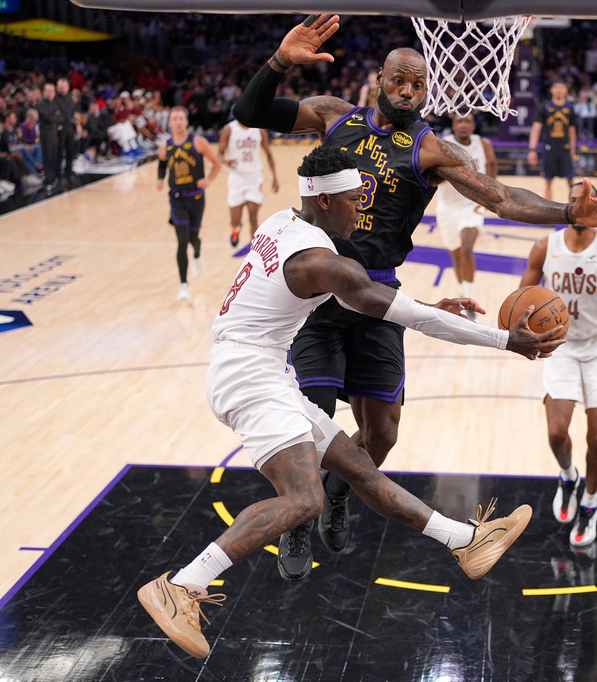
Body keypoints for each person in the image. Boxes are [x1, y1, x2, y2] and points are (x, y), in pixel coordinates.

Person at [233, 14, 597, 576]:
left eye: (418, 84)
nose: (407, 90)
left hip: (377, 294)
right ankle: (299, 521)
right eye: (399, 79)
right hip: (317, 297)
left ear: (428, 91)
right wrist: (279, 61)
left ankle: (336, 491)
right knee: (314, 413)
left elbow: (501, 198)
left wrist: (569, 211)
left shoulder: (431, 149)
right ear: (380, 77)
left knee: (383, 433)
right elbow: (249, 113)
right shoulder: (333, 116)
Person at [137, 145, 555, 659]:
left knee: (358, 467)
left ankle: (465, 542)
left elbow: (388, 305)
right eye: (356, 199)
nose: (362, 207)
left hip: (261, 370)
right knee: (305, 499)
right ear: (328, 200)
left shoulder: (284, 220)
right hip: (250, 378)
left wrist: (421, 306)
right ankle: (181, 585)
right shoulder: (319, 261)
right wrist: (503, 340)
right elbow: (396, 312)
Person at [518, 182, 597, 546]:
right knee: (556, 434)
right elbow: (521, 298)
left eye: (587, 199)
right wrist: (519, 324)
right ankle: (568, 475)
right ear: (567, 206)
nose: (581, 205)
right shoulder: (545, 247)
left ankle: (590, 501)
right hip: (563, 346)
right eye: (574, 201)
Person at [156, 106, 221, 302]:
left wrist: (208, 180)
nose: (177, 122)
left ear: (186, 121)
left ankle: (198, 250)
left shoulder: (198, 142)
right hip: (176, 198)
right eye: (173, 119)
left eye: (180, 119)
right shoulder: (164, 146)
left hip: (196, 197)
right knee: (182, 240)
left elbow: (216, 163)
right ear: (169, 122)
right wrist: (160, 178)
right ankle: (184, 285)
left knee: (193, 236)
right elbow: (161, 163)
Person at [435, 113, 497, 311]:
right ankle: (463, 293)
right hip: (447, 207)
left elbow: (493, 165)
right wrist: (457, 174)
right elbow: (435, 177)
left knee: (467, 247)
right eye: (459, 121)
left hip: (473, 205)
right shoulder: (444, 145)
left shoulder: (484, 144)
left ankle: (471, 298)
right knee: (455, 254)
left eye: (467, 121)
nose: (463, 125)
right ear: (453, 124)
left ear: (473, 124)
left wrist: (492, 194)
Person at [218, 117, 279, 247]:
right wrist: (225, 161)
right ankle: (236, 229)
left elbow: (269, 154)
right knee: (235, 219)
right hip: (236, 176)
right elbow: (219, 154)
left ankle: (255, 248)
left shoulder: (259, 130)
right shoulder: (229, 129)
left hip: (254, 176)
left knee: (253, 215)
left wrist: (275, 177)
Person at [527, 81, 578, 200]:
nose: (559, 90)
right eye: (556, 87)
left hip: (565, 147)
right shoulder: (545, 107)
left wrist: (573, 149)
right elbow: (536, 129)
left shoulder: (570, 107)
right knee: (548, 181)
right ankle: (549, 212)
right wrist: (532, 150)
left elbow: (572, 131)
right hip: (549, 147)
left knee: (571, 180)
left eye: (562, 87)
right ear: (551, 90)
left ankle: (575, 208)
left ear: (566, 90)